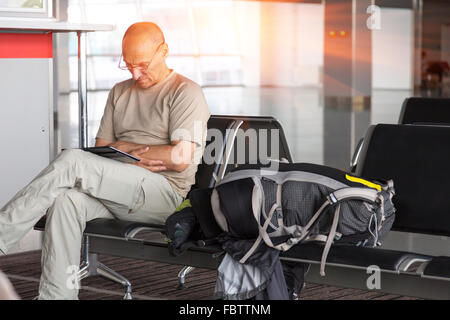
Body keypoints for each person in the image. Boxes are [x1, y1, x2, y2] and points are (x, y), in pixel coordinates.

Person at [0, 22, 210, 299]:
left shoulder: (186, 93)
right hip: (118, 190)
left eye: (143, 65)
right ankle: (57, 296)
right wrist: (140, 156)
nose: (135, 73)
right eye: (128, 65)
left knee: (73, 160)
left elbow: (180, 158)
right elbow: (102, 149)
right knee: (66, 201)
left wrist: (128, 150)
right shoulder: (120, 91)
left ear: (164, 51)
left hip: (164, 194)